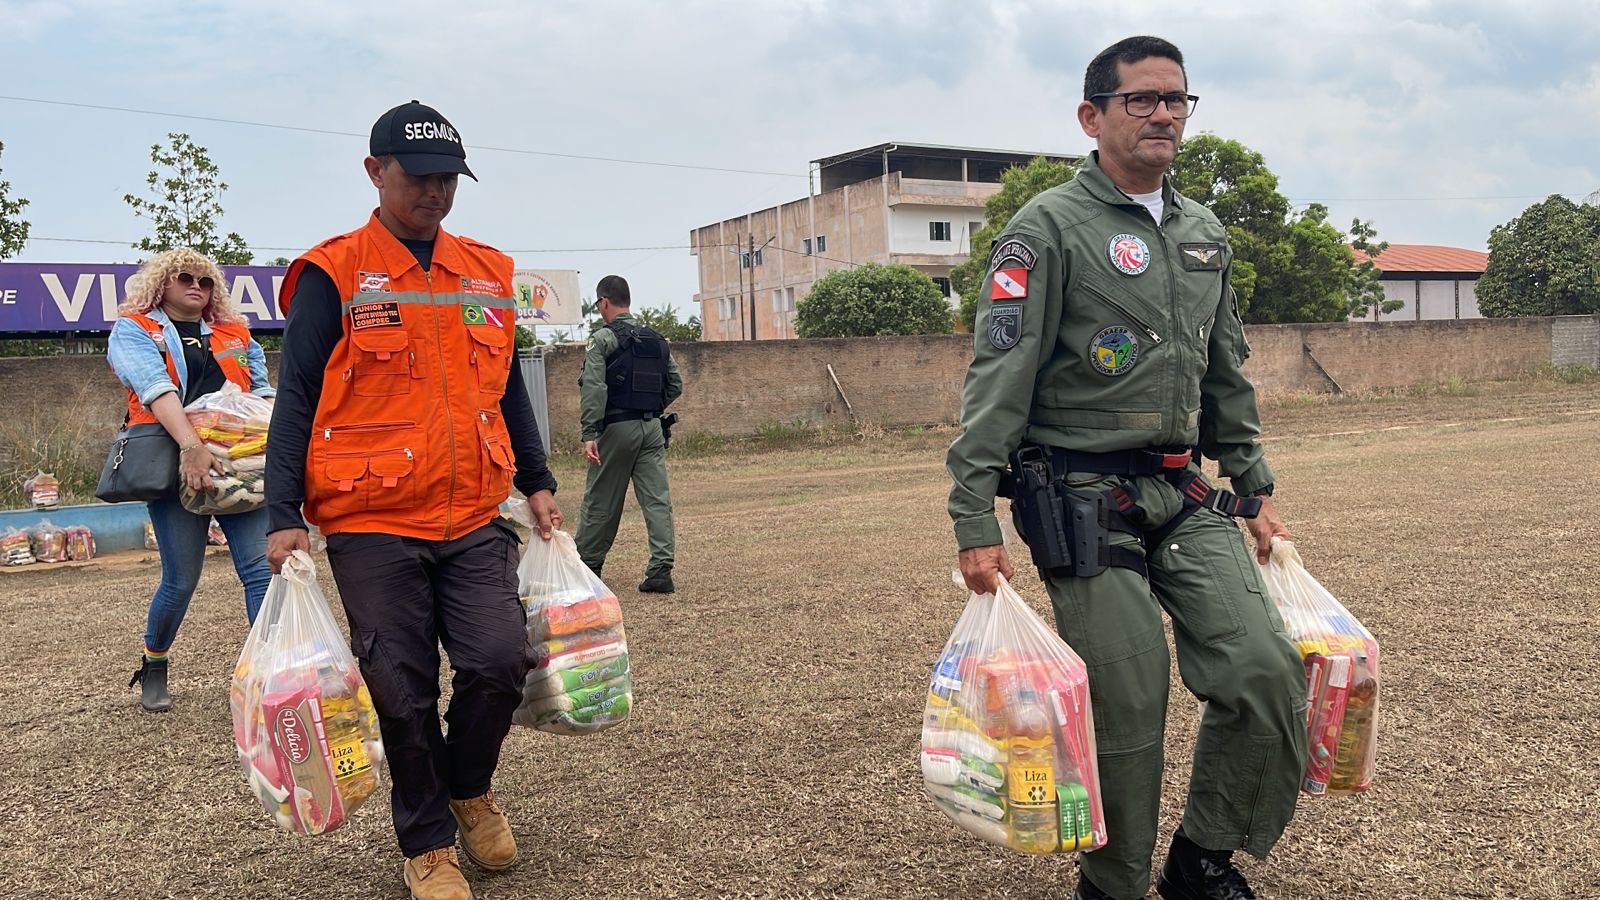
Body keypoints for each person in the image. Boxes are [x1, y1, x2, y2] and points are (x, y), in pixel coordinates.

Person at [946, 37, 1306, 900]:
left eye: (1177, 100)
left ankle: (1203, 857)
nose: (1164, 115)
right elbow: (998, 376)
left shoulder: (1202, 232)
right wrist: (972, 516)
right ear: (1092, 116)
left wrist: (1251, 484)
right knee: (1128, 696)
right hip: (1076, 492)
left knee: (1264, 667)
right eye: (1142, 100)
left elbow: (1225, 371)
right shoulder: (1046, 230)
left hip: (1179, 489)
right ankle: (1112, 885)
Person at [264, 100, 562, 900]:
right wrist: (282, 513)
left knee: (500, 662)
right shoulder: (333, 273)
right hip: (369, 517)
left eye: (448, 180)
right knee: (398, 686)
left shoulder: (486, 270)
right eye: (420, 178)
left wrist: (536, 480)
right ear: (375, 171)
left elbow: (505, 389)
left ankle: (469, 788)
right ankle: (427, 841)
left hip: (471, 513)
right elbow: (295, 398)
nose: (436, 193)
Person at [107, 247, 276, 713]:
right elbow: (153, 389)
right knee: (181, 579)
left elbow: (261, 393)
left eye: (205, 281)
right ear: (162, 283)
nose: (196, 288)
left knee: (261, 571)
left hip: (240, 463)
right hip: (176, 460)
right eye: (186, 278)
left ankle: (270, 677)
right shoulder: (135, 329)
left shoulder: (236, 332)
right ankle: (154, 662)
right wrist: (190, 446)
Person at [573, 274, 682, 593]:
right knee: (657, 499)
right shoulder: (656, 339)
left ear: (604, 302)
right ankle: (660, 570)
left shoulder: (602, 339)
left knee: (602, 498)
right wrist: (650, 406)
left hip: (616, 428)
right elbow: (675, 383)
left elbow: (593, 387)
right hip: (651, 428)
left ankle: (587, 566)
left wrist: (590, 431)